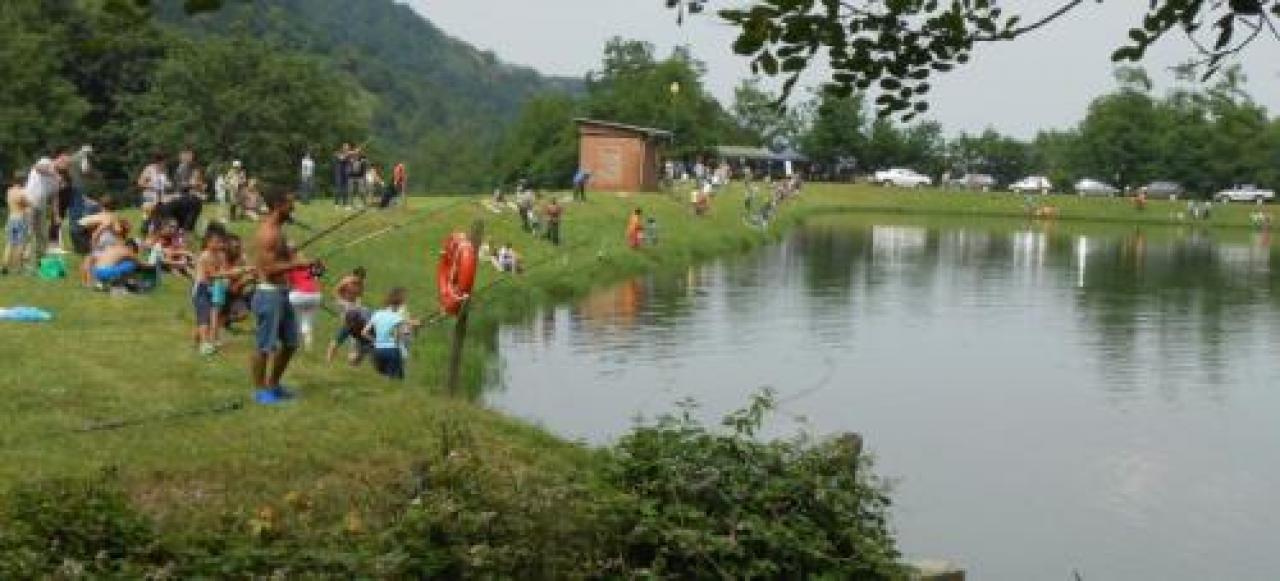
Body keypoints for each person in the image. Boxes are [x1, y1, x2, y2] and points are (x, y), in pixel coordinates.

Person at [249, 189, 313, 405]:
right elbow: (268, 269)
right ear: (278, 205)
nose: (293, 207)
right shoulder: (269, 233)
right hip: (268, 293)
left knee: (291, 343)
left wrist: (292, 252)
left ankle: (273, 384)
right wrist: (296, 264)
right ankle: (260, 391)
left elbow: (281, 256)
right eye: (290, 204)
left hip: (283, 292)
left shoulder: (279, 231)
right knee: (265, 345)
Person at [363, 287, 420, 380]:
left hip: (377, 352)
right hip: (392, 351)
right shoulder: (397, 317)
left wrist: (375, 341)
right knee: (396, 381)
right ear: (400, 304)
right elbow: (411, 325)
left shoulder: (377, 314)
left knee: (386, 380)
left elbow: (364, 332)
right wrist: (416, 324)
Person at [193, 230, 230, 355]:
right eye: (216, 242)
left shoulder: (221, 255)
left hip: (214, 287)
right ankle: (204, 344)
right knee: (204, 316)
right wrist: (236, 272)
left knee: (210, 317)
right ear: (208, 243)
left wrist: (225, 280)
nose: (219, 244)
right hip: (201, 289)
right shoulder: (205, 256)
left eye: (220, 242)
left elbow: (223, 270)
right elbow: (213, 274)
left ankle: (201, 338)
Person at [24, 151, 62, 268]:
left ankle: (41, 259)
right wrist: (53, 173)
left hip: (42, 206)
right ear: (59, 159)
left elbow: (55, 199)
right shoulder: (46, 161)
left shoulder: (57, 180)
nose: (64, 165)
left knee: (42, 234)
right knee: (28, 232)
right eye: (63, 161)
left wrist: (56, 215)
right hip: (29, 202)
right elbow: (37, 168)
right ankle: (26, 259)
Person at [327, 266, 369, 363]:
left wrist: (358, 305)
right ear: (354, 275)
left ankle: (353, 351)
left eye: (362, 278)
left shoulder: (361, 284)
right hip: (342, 303)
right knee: (348, 326)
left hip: (353, 307)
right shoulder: (346, 281)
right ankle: (333, 354)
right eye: (359, 277)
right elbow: (335, 293)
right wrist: (344, 304)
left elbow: (359, 297)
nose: (360, 280)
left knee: (356, 324)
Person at [286, 246, 323, 350]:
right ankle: (308, 348)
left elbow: (288, 286)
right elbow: (319, 272)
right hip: (316, 295)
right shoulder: (307, 264)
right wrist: (318, 264)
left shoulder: (288, 266)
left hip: (299, 295)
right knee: (307, 323)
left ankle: (291, 344)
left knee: (293, 320)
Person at [3, 172, 29, 275]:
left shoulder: (9, 191)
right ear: (22, 181)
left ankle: (5, 266)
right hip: (20, 219)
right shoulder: (22, 192)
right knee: (20, 244)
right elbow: (26, 204)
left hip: (10, 219)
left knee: (9, 243)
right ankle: (18, 268)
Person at [333, 143, 352, 209]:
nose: (347, 149)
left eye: (348, 148)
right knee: (338, 188)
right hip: (339, 173)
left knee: (346, 189)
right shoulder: (338, 153)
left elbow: (351, 160)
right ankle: (336, 204)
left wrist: (355, 152)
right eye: (345, 147)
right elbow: (341, 158)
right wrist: (348, 154)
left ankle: (345, 204)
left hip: (345, 174)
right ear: (343, 148)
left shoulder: (349, 155)